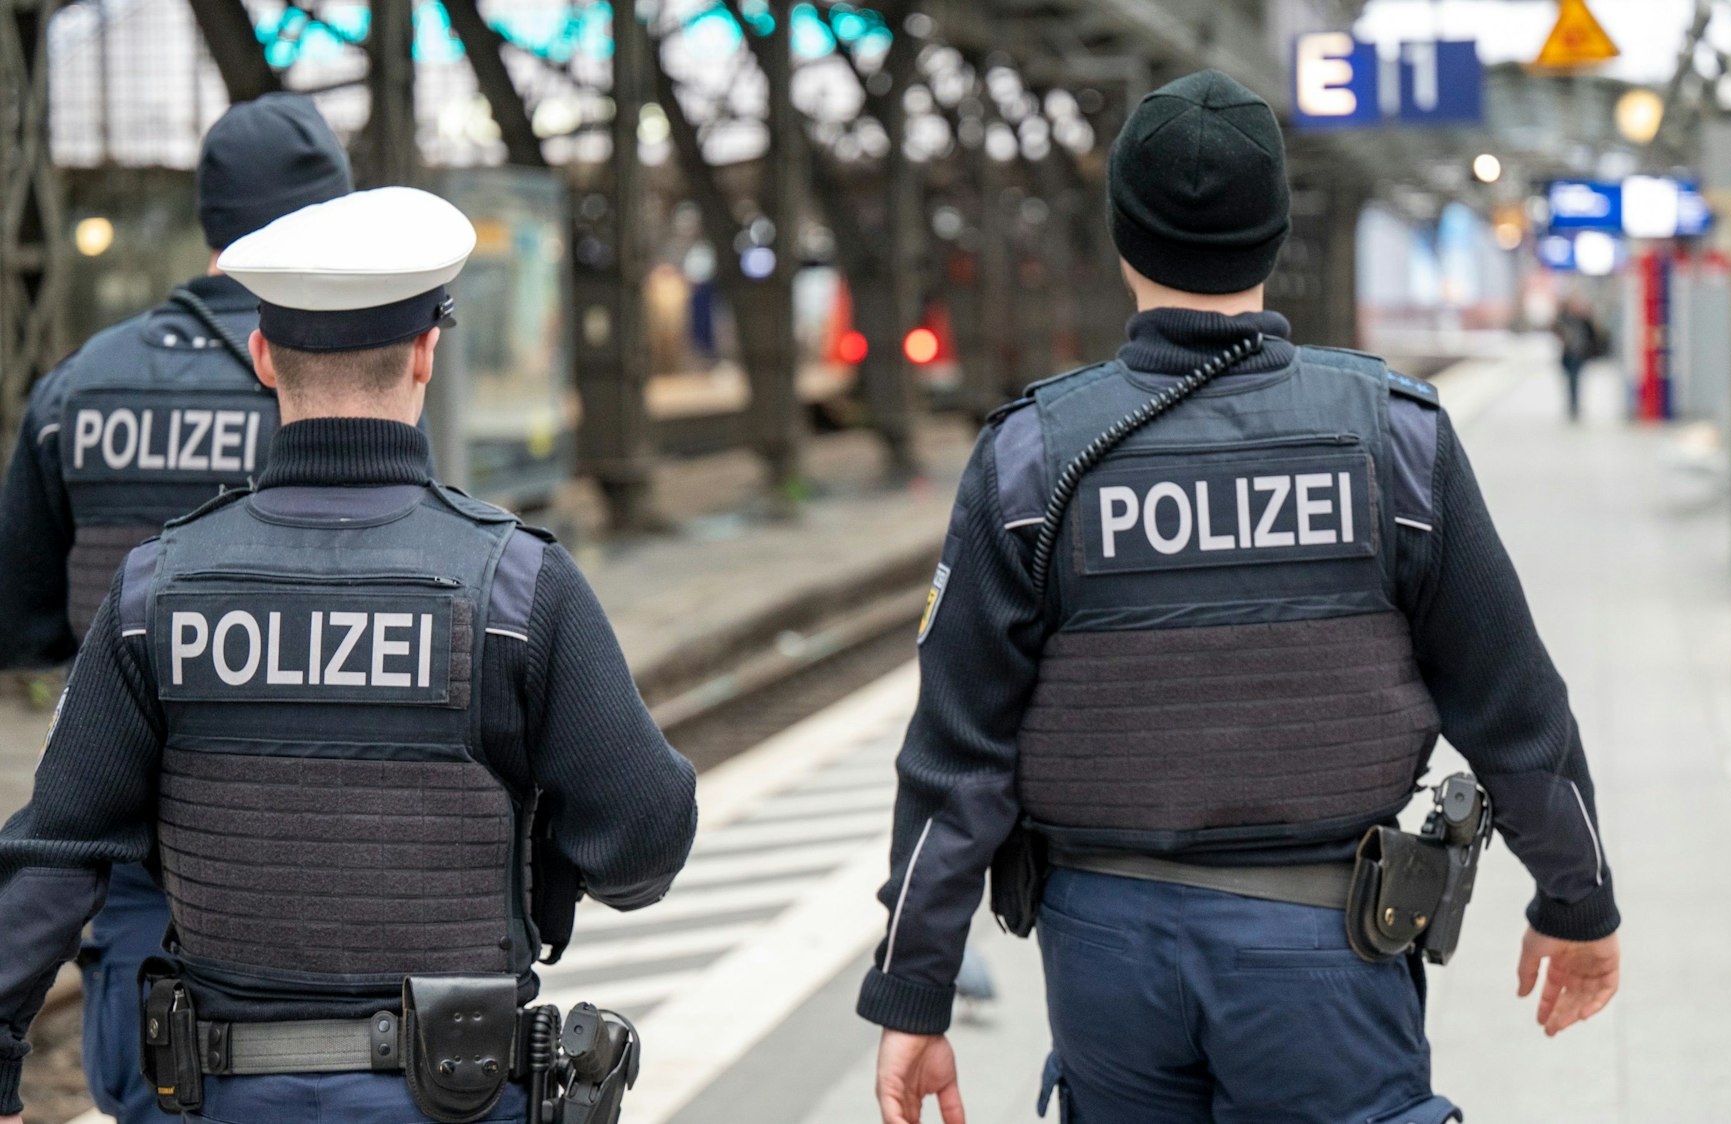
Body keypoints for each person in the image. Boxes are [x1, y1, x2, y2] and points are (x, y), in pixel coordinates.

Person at [859, 70, 1621, 1124]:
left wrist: (914, 988)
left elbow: (957, 758)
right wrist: (1577, 900)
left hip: (1106, 958)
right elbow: (1515, 708)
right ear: (1274, 232)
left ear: (1125, 236)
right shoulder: (1394, 441)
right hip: (1326, 956)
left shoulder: (1032, 461)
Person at [0, 186, 699, 1124]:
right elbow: (644, 840)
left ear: (261, 357)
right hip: (457, 1096)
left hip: (217, 1098)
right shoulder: (515, 587)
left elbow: (54, 851)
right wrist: (548, 864)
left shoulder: (154, 591)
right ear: (426, 352)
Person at [0, 92, 352, 1124]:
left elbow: (21, 622)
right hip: (320, 856)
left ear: (212, 219)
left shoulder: (77, 388)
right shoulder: (337, 380)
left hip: (133, 866)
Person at [1554, 296, 1601, 422]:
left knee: (1576, 380)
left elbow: (1594, 334)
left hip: (1579, 355)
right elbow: (1555, 327)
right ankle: (1572, 404)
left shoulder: (1584, 320)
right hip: (1568, 355)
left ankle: (1575, 405)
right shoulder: (1565, 319)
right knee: (1570, 381)